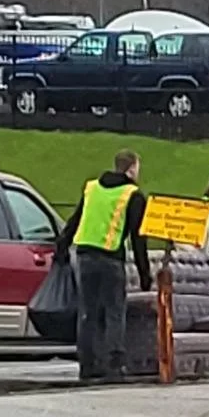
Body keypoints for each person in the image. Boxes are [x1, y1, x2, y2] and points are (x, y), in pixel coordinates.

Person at [58, 149, 152, 383]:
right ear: (131, 168)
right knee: (114, 312)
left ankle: (87, 364)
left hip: (84, 255)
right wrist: (144, 274)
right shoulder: (133, 194)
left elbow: (76, 218)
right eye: (137, 167)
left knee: (88, 313)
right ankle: (114, 365)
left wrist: (62, 245)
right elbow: (138, 238)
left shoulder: (92, 188)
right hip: (110, 258)